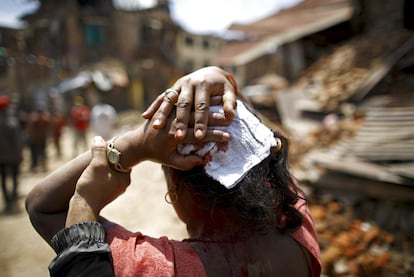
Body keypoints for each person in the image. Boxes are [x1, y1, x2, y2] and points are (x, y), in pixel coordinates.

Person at [25, 67, 321, 276]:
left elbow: (43, 206)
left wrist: (135, 144)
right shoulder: (296, 219)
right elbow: (264, 142)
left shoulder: (155, 268)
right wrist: (221, 77)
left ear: (179, 191)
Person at [0, 95, 23, 213]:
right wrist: (20, 154)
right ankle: (13, 200)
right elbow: (17, 141)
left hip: (2, 158)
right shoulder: (12, 121)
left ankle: (8, 201)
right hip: (13, 156)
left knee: (3, 180)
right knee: (14, 178)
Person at [26, 108, 50, 172]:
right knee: (35, 154)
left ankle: (42, 166)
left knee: (41, 153)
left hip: (40, 139)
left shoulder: (43, 120)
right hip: (36, 140)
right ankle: (36, 166)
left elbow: (48, 127)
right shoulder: (35, 120)